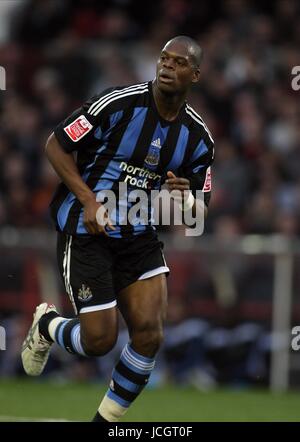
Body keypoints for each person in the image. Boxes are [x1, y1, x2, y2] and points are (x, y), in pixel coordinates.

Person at [21, 35, 214, 422]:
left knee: (150, 336)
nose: (166, 67)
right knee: (99, 341)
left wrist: (186, 200)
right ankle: (47, 325)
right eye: (163, 58)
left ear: (195, 74)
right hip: (87, 229)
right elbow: (55, 146)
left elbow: (199, 209)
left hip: (139, 237)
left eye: (178, 63)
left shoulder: (198, 138)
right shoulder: (118, 104)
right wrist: (89, 200)